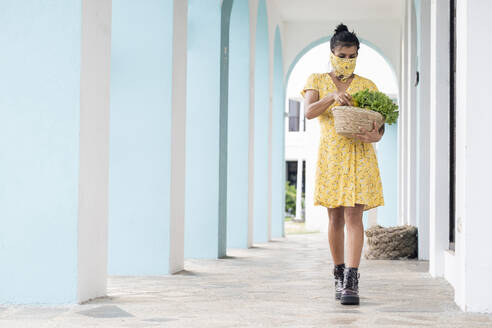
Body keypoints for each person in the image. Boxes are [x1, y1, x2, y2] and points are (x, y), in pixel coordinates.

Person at [300, 23, 385, 305]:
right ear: (332, 53)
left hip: (360, 156)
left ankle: (351, 280)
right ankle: (338, 273)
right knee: (335, 217)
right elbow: (310, 112)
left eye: (352, 56)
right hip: (332, 158)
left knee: (354, 217)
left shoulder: (367, 86)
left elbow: (381, 124)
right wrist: (331, 97)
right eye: (342, 55)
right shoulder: (317, 80)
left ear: (357, 54)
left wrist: (376, 134)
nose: (346, 61)